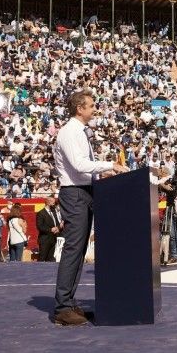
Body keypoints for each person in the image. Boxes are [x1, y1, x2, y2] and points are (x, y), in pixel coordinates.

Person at [51, 90, 128, 327]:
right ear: (79, 109)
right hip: (74, 193)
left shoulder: (79, 132)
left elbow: (82, 167)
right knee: (74, 248)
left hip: (83, 191)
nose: (94, 109)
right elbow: (78, 164)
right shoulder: (69, 132)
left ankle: (69, 302)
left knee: (80, 248)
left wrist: (102, 171)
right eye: (91, 106)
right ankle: (62, 307)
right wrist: (110, 166)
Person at [35, 195, 63, 263]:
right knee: (42, 258)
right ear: (48, 202)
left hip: (53, 239)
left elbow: (56, 223)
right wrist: (50, 230)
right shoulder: (41, 213)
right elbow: (40, 226)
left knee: (51, 259)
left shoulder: (54, 212)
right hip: (44, 240)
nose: (54, 204)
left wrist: (58, 227)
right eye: (53, 203)